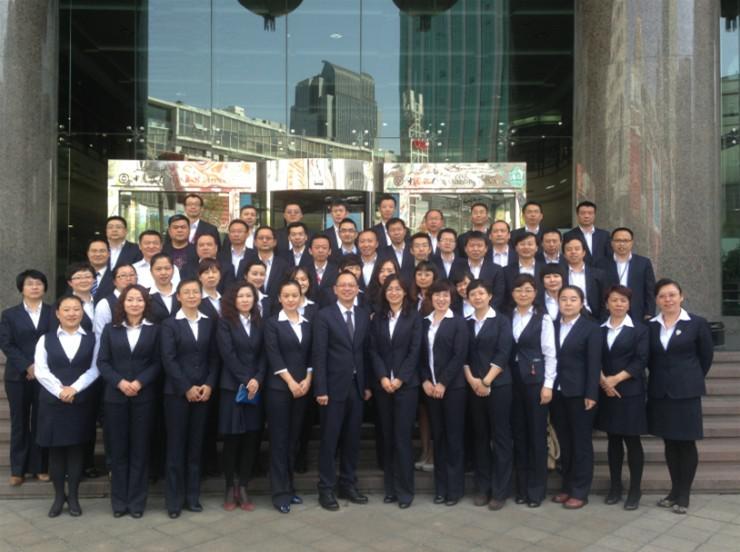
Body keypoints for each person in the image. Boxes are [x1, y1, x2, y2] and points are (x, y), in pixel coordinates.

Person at [648, 278, 713, 514]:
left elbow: (706, 357)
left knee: (686, 443)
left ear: (681, 296)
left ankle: (684, 494)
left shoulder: (696, 323)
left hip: (686, 393)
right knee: (669, 442)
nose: (668, 300)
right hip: (660, 392)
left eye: (672, 295)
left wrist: (690, 377)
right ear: (657, 300)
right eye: (662, 296)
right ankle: (674, 491)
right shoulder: (651, 326)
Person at [96, 284, 160, 518]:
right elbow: (103, 362)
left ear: (146, 304)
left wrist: (140, 382)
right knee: (118, 450)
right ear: (122, 303)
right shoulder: (110, 330)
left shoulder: (155, 330)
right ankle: (119, 502)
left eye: (139, 300)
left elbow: (158, 362)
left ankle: (137, 502)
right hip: (115, 397)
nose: (135, 304)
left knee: (140, 450)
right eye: (130, 299)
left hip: (144, 397)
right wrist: (120, 382)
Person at [34, 295, 98, 517]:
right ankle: (58, 497)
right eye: (67, 309)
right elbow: (41, 370)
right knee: (56, 452)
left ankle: (74, 498)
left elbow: (95, 368)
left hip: (80, 402)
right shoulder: (45, 339)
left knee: (76, 450)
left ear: (82, 312)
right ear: (58, 313)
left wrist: (75, 389)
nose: (72, 313)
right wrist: (60, 391)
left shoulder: (93, 339)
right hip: (53, 403)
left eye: (76, 309)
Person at [313, 270, 371, 511]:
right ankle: (326, 488)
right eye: (343, 285)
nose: (347, 289)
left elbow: (365, 352)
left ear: (357, 289)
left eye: (351, 285)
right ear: (335, 290)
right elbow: (319, 354)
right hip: (332, 389)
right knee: (330, 439)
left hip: (356, 388)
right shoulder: (324, 315)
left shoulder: (363, 315)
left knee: (352, 439)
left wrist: (366, 385)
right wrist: (321, 388)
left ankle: (348, 483)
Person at [160, 279, 219, 518]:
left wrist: (209, 384)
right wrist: (186, 387)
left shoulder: (209, 322)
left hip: (203, 393)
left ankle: (192, 497)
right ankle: (174, 500)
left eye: (196, 292)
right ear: (179, 297)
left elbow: (215, 357)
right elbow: (168, 359)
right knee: (176, 447)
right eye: (187, 292)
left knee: (196, 447)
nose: (192, 295)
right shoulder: (169, 324)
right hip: (177, 395)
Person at [369, 275, 422, 508]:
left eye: (398, 289)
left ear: (405, 292)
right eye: (389, 289)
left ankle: (405, 491)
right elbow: (372, 350)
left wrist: (400, 379)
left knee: (402, 438)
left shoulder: (414, 317)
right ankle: (390, 489)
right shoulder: (378, 317)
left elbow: (415, 351)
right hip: (383, 387)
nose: (393, 292)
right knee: (387, 437)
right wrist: (382, 377)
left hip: (406, 386)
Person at [596, 285, 649, 511]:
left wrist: (615, 380)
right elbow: (593, 358)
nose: (618, 304)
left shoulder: (639, 330)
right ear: (606, 303)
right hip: (606, 391)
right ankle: (615, 486)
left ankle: (635, 489)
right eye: (614, 300)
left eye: (623, 301)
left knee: (632, 441)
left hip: (630, 392)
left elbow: (641, 360)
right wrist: (604, 382)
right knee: (613, 441)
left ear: (629, 304)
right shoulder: (599, 329)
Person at [0, 270, 54, 485]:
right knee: (19, 421)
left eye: (39, 283)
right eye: (30, 284)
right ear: (21, 288)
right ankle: (18, 469)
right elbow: (6, 343)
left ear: (44, 287)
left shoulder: (53, 312)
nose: (34, 287)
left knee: (41, 420)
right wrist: (27, 366)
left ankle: (40, 467)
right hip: (18, 376)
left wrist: (39, 367)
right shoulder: (9, 314)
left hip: (46, 376)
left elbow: (56, 341)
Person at [463, 279, 513, 510]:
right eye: (473, 294)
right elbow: (463, 355)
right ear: (468, 298)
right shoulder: (466, 323)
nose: (477, 297)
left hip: (499, 386)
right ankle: (482, 488)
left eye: (481, 293)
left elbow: (503, 353)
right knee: (480, 437)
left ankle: (500, 491)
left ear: (490, 296)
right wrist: (473, 380)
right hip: (474, 387)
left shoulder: (501, 321)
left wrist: (486, 381)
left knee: (500, 438)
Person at [264, 280, 313, 513]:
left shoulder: (307, 323)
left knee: (293, 440)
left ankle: (290, 488)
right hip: (279, 390)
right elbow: (273, 355)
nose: (291, 299)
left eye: (295, 295)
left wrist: (308, 379)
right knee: (279, 441)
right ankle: (279, 493)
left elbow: (312, 355)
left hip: (302, 389)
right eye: (287, 295)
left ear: (301, 297)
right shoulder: (272, 323)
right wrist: (291, 382)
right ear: (280, 298)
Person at [551, 286, 601, 509]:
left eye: (573, 299)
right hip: (557, 392)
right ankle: (567, 486)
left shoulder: (591, 328)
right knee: (565, 441)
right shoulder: (551, 326)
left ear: (582, 303)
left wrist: (591, 393)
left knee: (581, 443)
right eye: (564, 299)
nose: (568, 303)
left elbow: (594, 363)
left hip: (580, 394)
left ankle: (580, 490)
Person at [216, 282, 265, 512]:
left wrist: (257, 378)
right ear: (233, 299)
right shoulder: (224, 322)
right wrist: (246, 379)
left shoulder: (260, 322)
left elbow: (265, 353)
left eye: (249, 296)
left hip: (255, 387)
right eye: (240, 296)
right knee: (232, 438)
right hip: (232, 387)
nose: (245, 300)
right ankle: (229, 486)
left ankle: (243, 486)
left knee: (251, 438)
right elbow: (228, 354)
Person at [508, 274, 556, 508]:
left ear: (535, 293)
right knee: (518, 434)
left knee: (536, 435)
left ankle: (536, 491)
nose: (523, 294)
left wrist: (548, 385)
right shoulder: (507, 316)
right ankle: (521, 488)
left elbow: (550, 353)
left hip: (536, 382)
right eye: (519, 290)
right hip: (512, 381)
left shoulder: (543, 318)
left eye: (528, 290)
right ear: (512, 293)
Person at [421, 281, 468, 506]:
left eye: (445, 295)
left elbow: (459, 355)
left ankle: (454, 490)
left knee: (454, 438)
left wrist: (443, 382)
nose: (441, 299)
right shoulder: (424, 322)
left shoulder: (458, 322)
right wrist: (425, 380)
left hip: (453, 389)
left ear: (451, 298)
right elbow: (420, 355)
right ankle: (440, 488)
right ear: (431, 298)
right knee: (438, 438)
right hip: (430, 390)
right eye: (437, 295)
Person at [596, 227, 656, 321]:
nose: (622, 244)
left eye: (626, 241)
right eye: (618, 240)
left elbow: (650, 290)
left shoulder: (643, 263)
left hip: (637, 312)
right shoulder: (601, 264)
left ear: (632, 242)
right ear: (612, 243)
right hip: (609, 313)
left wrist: (649, 312)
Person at [451, 231, 505, 309]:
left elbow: (498, 295)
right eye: (472, 246)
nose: (475, 249)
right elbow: (453, 291)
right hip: (462, 311)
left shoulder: (496, 269)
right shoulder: (456, 267)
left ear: (486, 248)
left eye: (479, 246)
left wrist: (485, 311)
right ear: (465, 248)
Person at [563, 235, 607, 320]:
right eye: (569, 249)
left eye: (577, 249)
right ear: (564, 254)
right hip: (566, 317)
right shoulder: (559, 274)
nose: (573, 252)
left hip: (592, 317)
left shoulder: (598, 274)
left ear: (584, 252)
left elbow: (605, 301)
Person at [503, 232, 545, 310]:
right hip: (513, 312)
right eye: (522, 244)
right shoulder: (505, 271)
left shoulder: (545, 269)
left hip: (540, 311)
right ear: (516, 248)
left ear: (536, 248)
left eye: (530, 244)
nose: (526, 247)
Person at [563, 200, 612, 265]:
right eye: (583, 213)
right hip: (580, 269)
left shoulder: (605, 235)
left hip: (602, 270)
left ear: (594, 215)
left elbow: (609, 256)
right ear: (577, 215)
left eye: (590, 213)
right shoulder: (569, 235)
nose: (586, 216)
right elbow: (567, 256)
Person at [218, 219, 257, 291]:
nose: (236, 234)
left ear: (247, 234)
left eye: (239, 232)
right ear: (229, 234)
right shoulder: (220, 255)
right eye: (233, 231)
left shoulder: (255, 255)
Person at [254, 226, 290, 296]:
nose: (264, 241)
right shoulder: (246, 263)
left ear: (275, 242)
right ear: (255, 242)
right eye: (261, 238)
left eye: (268, 238)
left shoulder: (284, 265)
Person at [148, 253, 180, 323]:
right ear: (151, 271)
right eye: (158, 269)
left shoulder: (182, 293)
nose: (163, 273)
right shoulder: (145, 295)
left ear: (173, 270)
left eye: (167, 268)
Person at [306, 234, 339, 300]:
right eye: (317, 247)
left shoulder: (337, 271)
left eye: (324, 248)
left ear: (329, 251)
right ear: (310, 251)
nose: (320, 250)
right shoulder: (304, 271)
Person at [66, 262, 96, 331]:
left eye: (87, 277)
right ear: (70, 282)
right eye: (78, 277)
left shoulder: (101, 302)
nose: (83, 281)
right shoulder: (62, 304)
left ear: (94, 280)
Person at [86, 238, 114, 303]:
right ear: (88, 254)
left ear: (109, 254)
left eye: (102, 251)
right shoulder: (77, 274)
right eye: (94, 251)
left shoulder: (116, 275)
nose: (98, 254)